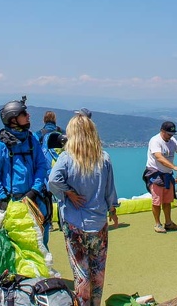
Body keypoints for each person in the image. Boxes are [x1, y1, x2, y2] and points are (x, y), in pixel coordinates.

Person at [49, 113, 118, 306]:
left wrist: (68, 193)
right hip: (98, 222)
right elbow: (109, 190)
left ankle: (82, 303)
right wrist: (113, 210)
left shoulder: (66, 158)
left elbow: (53, 180)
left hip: (74, 222)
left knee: (81, 270)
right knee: (98, 269)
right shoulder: (104, 157)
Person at [0, 96, 51, 245]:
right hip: (11, 202)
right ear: (13, 119)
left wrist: (34, 191)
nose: (29, 116)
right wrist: (3, 200)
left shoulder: (31, 140)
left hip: (34, 200)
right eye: (24, 114)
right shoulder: (0, 145)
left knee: (40, 242)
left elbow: (42, 166)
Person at [142, 121, 177, 233]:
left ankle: (168, 223)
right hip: (156, 174)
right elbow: (159, 157)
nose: (171, 136)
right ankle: (157, 224)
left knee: (167, 200)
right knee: (157, 201)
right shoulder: (155, 141)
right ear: (162, 131)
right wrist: (174, 167)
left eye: (172, 134)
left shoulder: (172, 140)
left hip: (167, 175)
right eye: (169, 134)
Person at [35, 110, 66, 178]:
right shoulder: (62, 132)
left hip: (46, 162)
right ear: (55, 119)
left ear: (44, 120)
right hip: (61, 161)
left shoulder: (40, 133)